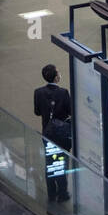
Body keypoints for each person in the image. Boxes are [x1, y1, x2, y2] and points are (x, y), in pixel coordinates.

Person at [34, 64, 73, 202]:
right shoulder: (63, 93)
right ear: (56, 77)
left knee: (50, 161)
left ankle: (51, 192)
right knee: (62, 162)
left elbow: (37, 111)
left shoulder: (38, 92)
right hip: (61, 134)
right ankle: (63, 192)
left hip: (47, 132)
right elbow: (70, 111)